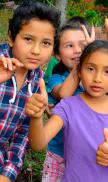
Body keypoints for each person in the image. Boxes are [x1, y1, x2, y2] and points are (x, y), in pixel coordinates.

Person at [26, 40, 108, 182]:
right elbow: (38, 144)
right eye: (90, 69)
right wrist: (36, 117)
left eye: (107, 71)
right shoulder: (68, 107)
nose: (97, 78)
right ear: (79, 71)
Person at [0, 1, 60, 181]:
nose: (36, 51)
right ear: (11, 38)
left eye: (46, 43)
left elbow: (21, 140)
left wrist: (7, 175)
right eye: (28, 39)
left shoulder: (37, 82)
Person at [42, 17, 94, 182]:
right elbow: (64, 94)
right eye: (69, 46)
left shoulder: (96, 79)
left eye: (82, 45)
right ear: (57, 55)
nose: (78, 50)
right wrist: (82, 62)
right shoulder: (57, 79)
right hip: (59, 155)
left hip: (89, 155)